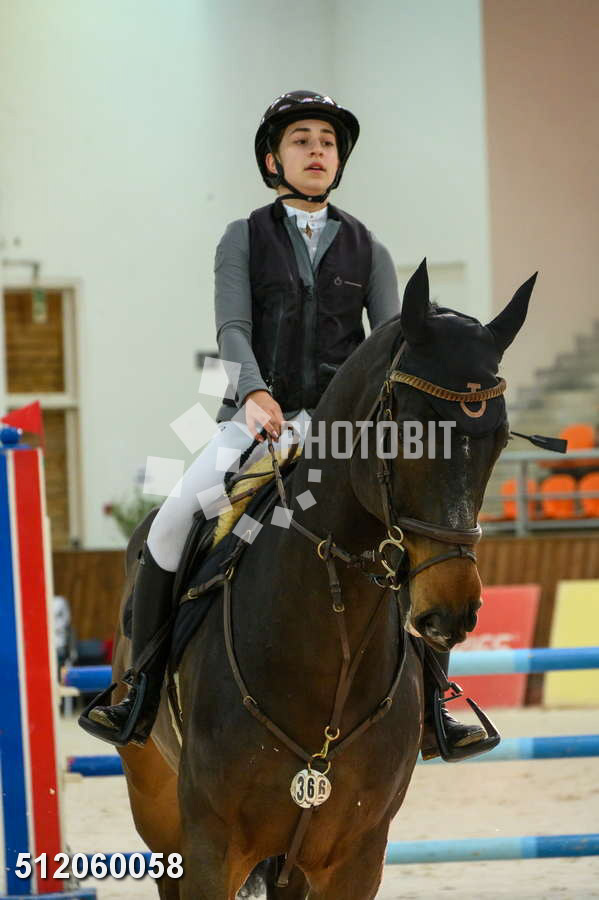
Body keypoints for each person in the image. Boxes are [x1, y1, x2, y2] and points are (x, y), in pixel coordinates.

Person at [84, 90, 486, 757]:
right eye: (301, 140)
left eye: (327, 143)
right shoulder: (243, 237)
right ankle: (140, 690)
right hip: (257, 419)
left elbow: (392, 345)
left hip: (340, 434)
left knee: (413, 529)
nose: (316, 151)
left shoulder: (369, 248)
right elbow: (232, 328)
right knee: (172, 522)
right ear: (273, 160)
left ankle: (435, 709)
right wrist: (253, 392)